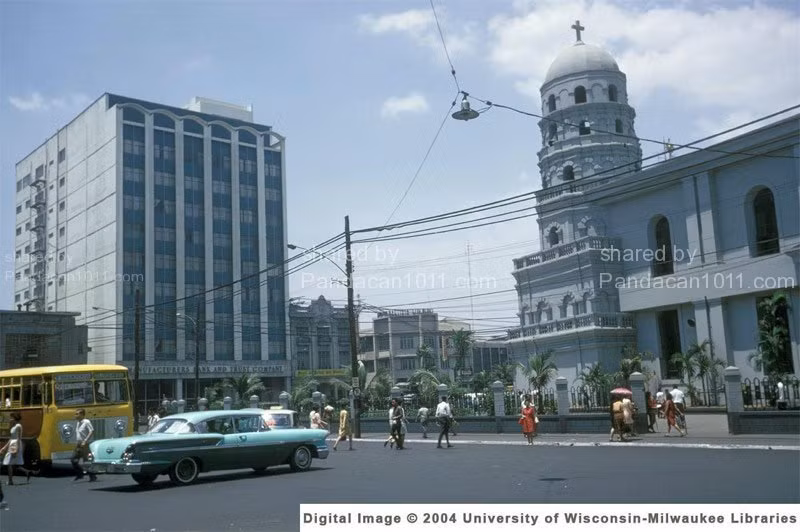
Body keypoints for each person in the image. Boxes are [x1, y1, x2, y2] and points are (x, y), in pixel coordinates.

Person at [1, 413, 33, 484]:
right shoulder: (14, 426)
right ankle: (26, 472)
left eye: (11, 418)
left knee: (9, 462)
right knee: (11, 463)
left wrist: (17, 448)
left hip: (15, 444)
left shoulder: (19, 426)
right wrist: (4, 447)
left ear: (15, 418)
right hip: (12, 444)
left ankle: (10, 481)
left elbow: (19, 438)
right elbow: (11, 438)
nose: (10, 419)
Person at [71, 409, 97, 482]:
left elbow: (92, 430)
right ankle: (80, 474)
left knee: (87, 461)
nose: (75, 415)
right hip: (78, 444)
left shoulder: (86, 422)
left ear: (82, 415)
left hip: (85, 444)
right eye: (75, 414)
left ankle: (92, 476)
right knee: (73, 459)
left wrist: (85, 441)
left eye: (77, 414)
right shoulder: (78, 423)